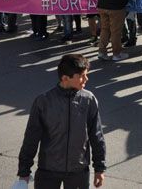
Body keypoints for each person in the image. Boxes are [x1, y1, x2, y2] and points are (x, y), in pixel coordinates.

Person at [17, 54, 106, 188]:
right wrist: (24, 171)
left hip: (78, 172)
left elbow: (97, 135)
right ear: (65, 78)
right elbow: (31, 138)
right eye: (81, 76)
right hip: (48, 172)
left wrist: (100, 168)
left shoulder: (89, 100)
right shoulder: (43, 101)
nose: (86, 79)